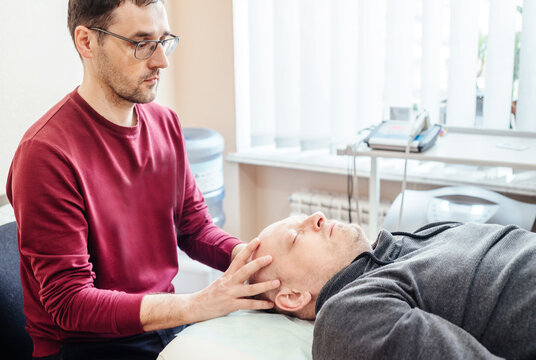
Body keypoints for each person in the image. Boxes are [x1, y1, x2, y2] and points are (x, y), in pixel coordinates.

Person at [6, 1, 278, 359]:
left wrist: (252, 260)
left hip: (161, 329)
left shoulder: (165, 124)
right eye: (142, 43)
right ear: (86, 42)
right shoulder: (46, 153)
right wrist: (195, 305)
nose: (161, 61)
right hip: (86, 345)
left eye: (164, 41)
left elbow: (194, 229)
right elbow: (70, 304)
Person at [250, 212, 536, 359]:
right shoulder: (348, 315)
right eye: (295, 237)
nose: (316, 217)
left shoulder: (409, 243)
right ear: (292, 296)